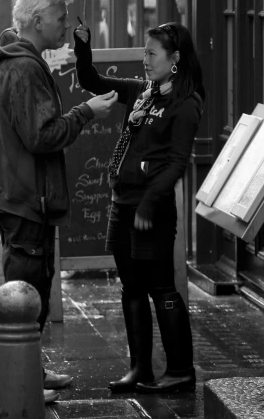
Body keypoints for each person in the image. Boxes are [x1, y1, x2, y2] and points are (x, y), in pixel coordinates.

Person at [0, 0, 118, 405]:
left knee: (30, 285)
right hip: (25, 195)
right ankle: (8, 382)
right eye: (60, 19)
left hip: (17, 192)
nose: (64, 27)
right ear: (38, 21)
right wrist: (85, 112)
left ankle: (25, 370)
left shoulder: (16, 56)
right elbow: (42, 136)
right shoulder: (22, 68)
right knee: (25, 286)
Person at [74, 20, 204, 394]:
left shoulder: (186, 102)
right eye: (144, 52)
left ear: (175, 59)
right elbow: (93, 82)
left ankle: (180, 370)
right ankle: (140, 368)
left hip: (153, 209)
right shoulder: (144, 92)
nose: (145, 59)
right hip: (124, 201)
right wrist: (83, 47)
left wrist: (149, 204)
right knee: (131, 287)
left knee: (161, 288)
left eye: (152, 53)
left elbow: (176, 164)